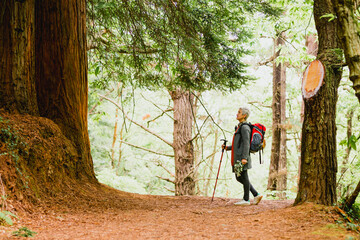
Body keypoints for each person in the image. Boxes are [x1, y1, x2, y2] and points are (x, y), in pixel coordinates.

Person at [222, 107, 262, 206]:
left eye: (239, 112)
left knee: (243, 176)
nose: (237, 114)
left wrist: (244, 157)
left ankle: (246, 199)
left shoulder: (245, 127)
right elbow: (238, 144)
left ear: (244, 115)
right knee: (240, 177)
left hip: (242, 157)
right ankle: (256, 194)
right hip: (239, 156)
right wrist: (228, 148)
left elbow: (246, 144)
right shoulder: (240, 127)